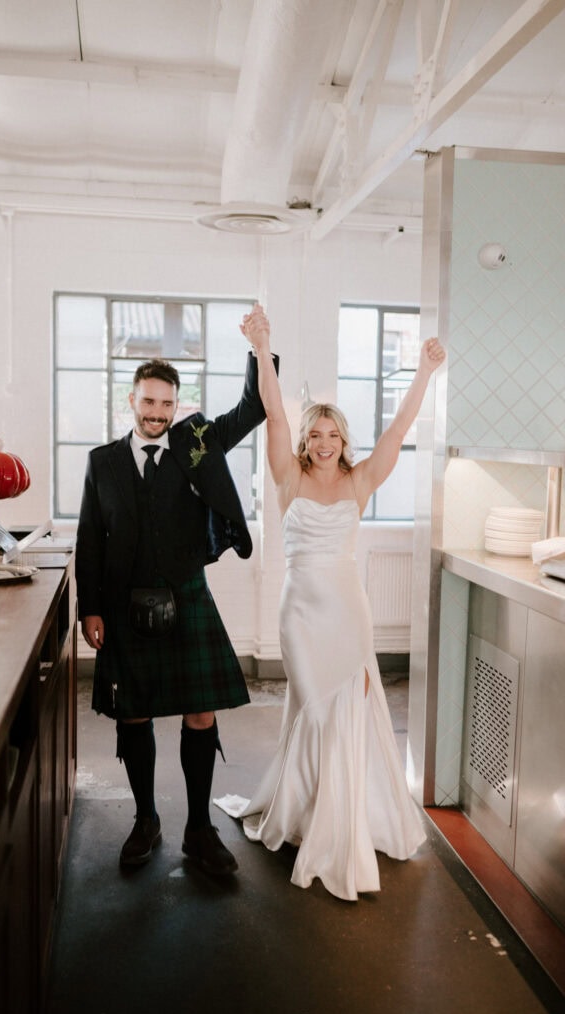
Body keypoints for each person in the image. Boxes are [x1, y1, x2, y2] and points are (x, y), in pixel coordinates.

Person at [215, 304, 445, 901]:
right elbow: (271, 410)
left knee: (348, 713)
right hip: (300, 613)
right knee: (315, 710)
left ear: (344, 439)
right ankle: (311, 812)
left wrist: (423, 372)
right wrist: (264, 346)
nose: (321, 442)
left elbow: (398, 432)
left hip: (348, 610)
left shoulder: (362, 481)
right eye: (313, 433)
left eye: (331, 433)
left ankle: (342, 816)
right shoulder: (287, 476)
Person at [75, 336, 278, 876]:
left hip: (187, 596)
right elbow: (90, 539)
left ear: (176, 404)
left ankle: (198, 828)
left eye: (167, 403)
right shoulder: (103, 463)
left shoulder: (196, 443)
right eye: (148, 402)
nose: (157, 413)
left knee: (201, 710)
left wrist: (260, 347)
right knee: (133, 712)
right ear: (131, 401)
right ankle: (145, 820)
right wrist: (89, 609)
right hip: (123, 604)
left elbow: (253, 407)